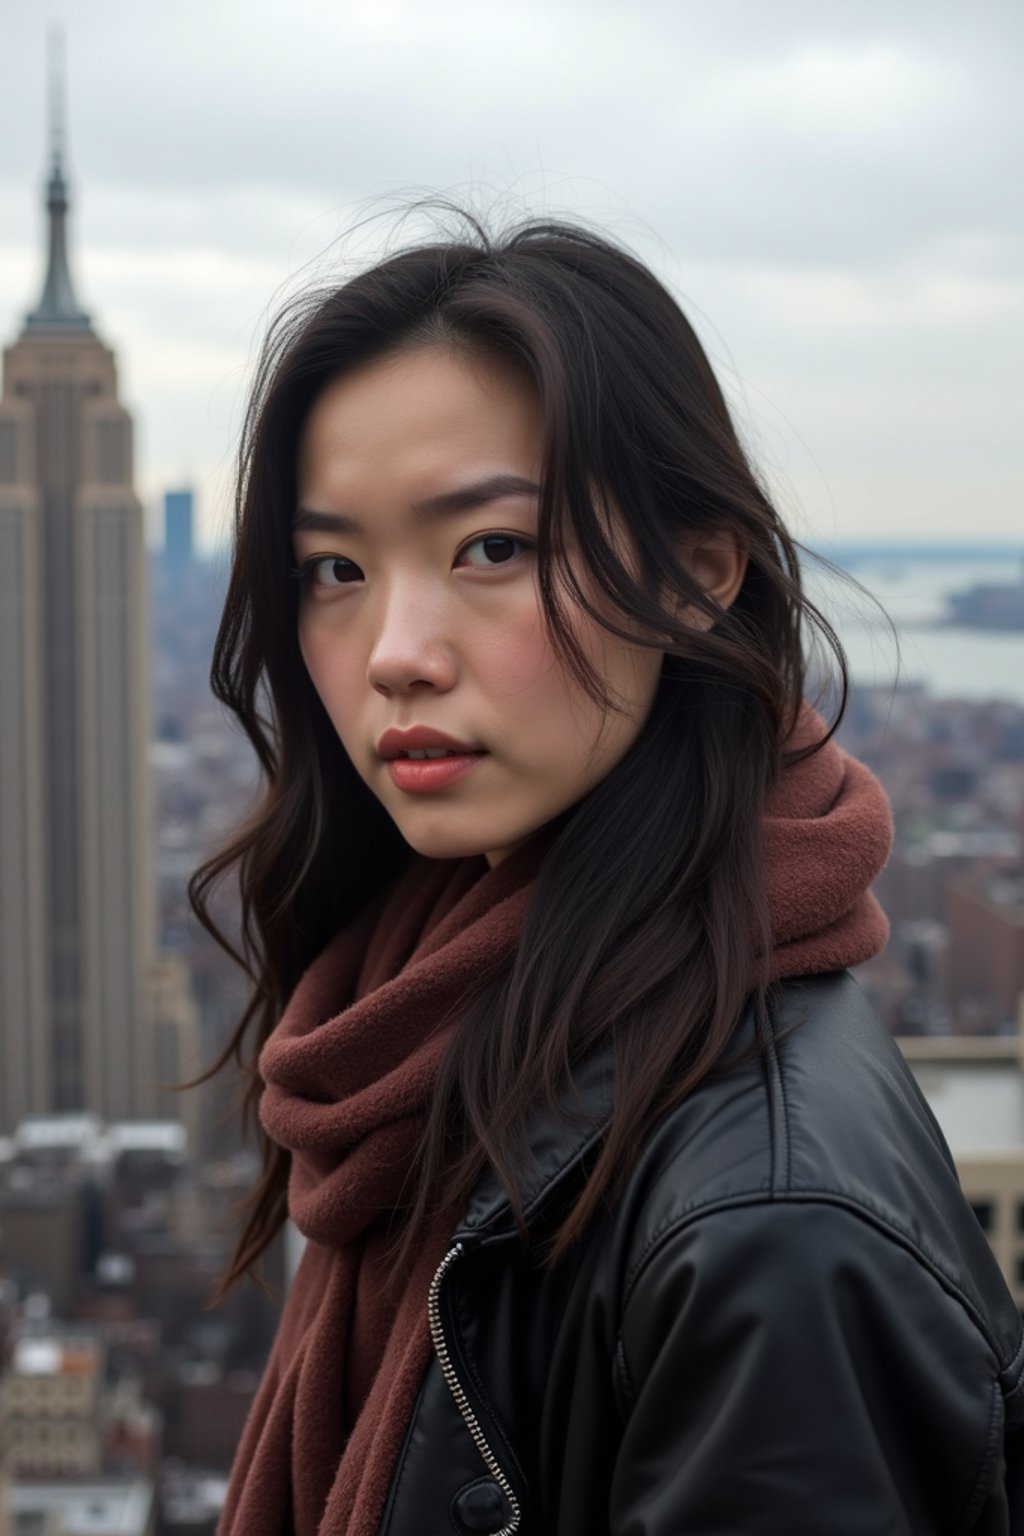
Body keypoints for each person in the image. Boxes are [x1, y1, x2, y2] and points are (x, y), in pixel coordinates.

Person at [192, 215, 1023, 1535]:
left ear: (695, 575)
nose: (396, 650)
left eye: (491, 550)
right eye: (335, 569)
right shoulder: (423, 1024)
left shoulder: (768, 1229)